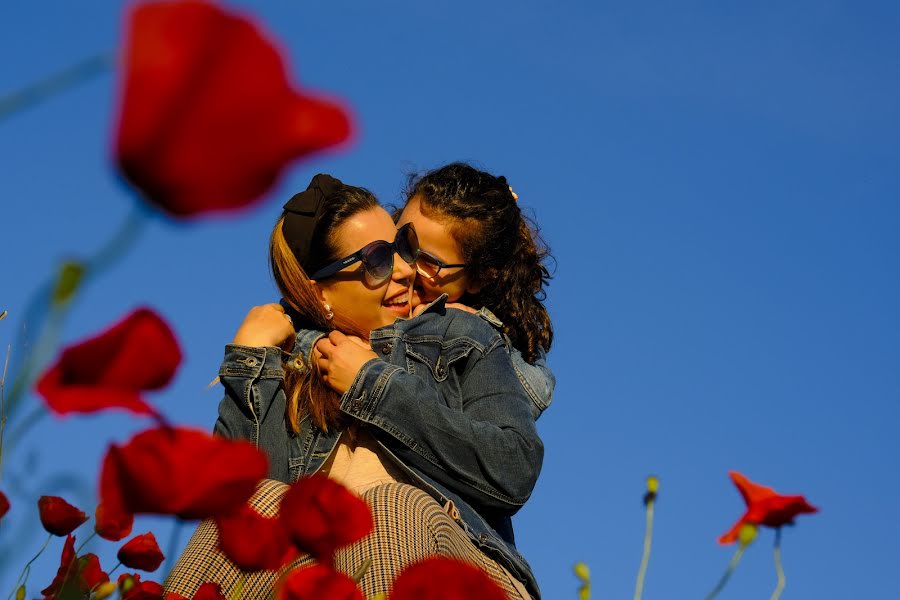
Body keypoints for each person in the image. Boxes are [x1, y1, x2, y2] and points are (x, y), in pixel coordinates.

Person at [164, 174, 544, 599]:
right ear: (320, 292)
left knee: (392, 508)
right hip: (322, 581)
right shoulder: (291, 366)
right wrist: (250, 361)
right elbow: (246, 514)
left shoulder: (460, 334)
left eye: (403, 248)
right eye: (378, 260)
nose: (405, 270)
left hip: (462, 568)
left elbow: (513, 469)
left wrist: (372, 383)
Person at [397, 162, 555, 420]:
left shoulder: (478, 335)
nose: (403, 267)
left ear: (480, 278)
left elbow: (534, 391)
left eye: (428, 262)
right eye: (400, 240)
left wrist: (469, 331)